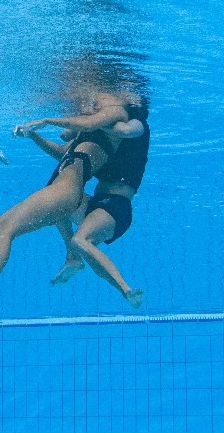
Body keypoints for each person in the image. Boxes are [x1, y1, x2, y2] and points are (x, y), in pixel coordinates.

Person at [0, 90, 138, 316]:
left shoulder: (111, 125)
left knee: (6, 231)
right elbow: (62, 150)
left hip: (65, 193)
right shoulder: (85, 138)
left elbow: (86, 124)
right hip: (56, 191)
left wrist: (47, 120)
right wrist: (33, 136)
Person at [47, 97, 149, 307]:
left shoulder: (137, 123)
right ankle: (73, 259)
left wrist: (94, 123)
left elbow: (125, 131)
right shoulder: (101, 129)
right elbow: (62, 151)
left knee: (81, 240)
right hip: (97, 203)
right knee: (57, 203)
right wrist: (32, 135)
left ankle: (126, 289)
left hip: (116, 207)